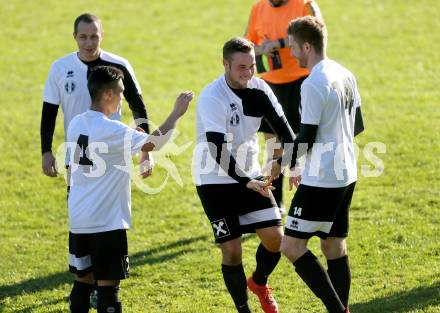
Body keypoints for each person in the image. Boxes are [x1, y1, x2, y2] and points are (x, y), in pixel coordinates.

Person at [66, 65, 193, 313]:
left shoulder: (76, 124)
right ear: (108, 95)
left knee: (83, 281)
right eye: (121, 92)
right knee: (107, 292)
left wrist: (130, 140)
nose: (123, 96)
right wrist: (176, 113)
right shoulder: (112, 130)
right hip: (106, 221)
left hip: (79, 219)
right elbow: (154, 142)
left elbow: (103, 150)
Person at [269, 16, 364, 313]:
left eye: (294, 48)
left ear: (307, 46)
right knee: (333, 246)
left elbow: (307, 139)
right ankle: (343, 308)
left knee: (292, 247)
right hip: (347, 172)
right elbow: (357, 125)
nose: (292, 54)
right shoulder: (345, 73)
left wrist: (280, 164)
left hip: (322, 178)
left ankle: (337, 311)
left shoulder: (313, 83)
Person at [193, 37, 295, 313]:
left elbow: (286, 132)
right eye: (241, 67)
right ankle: (243, 309)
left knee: (276, 239)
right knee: (232, 250)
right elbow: (217, 148)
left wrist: (287, 163)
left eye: (251, 66)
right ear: (225, 64)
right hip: (214, 180)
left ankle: (259, 282)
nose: (248, 73)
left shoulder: (260, 88)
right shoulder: (212, 97)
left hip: (250, 174)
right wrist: (244, 180)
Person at [41, 13, 152, 180]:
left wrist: (146, 152)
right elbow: (49, 113)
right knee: (78, 203)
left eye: (94, 37)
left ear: (102, 35)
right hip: (78, 157)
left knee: (116, 205)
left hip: (113, 155)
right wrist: (46, 151)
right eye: (83, 37)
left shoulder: (119, 65)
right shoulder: (60, 68)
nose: (89, 43)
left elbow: (137, 105)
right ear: (74, 37)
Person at [245, 0, 322, 209]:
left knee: (301, 145)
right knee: (273, 148)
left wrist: (279, 44)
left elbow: (318, 31)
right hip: (270, 84)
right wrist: (260, 49)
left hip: (300, 81)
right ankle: (275, 203)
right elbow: (247, 43)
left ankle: (307, 200)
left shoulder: (303, 4)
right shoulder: (258, 8)